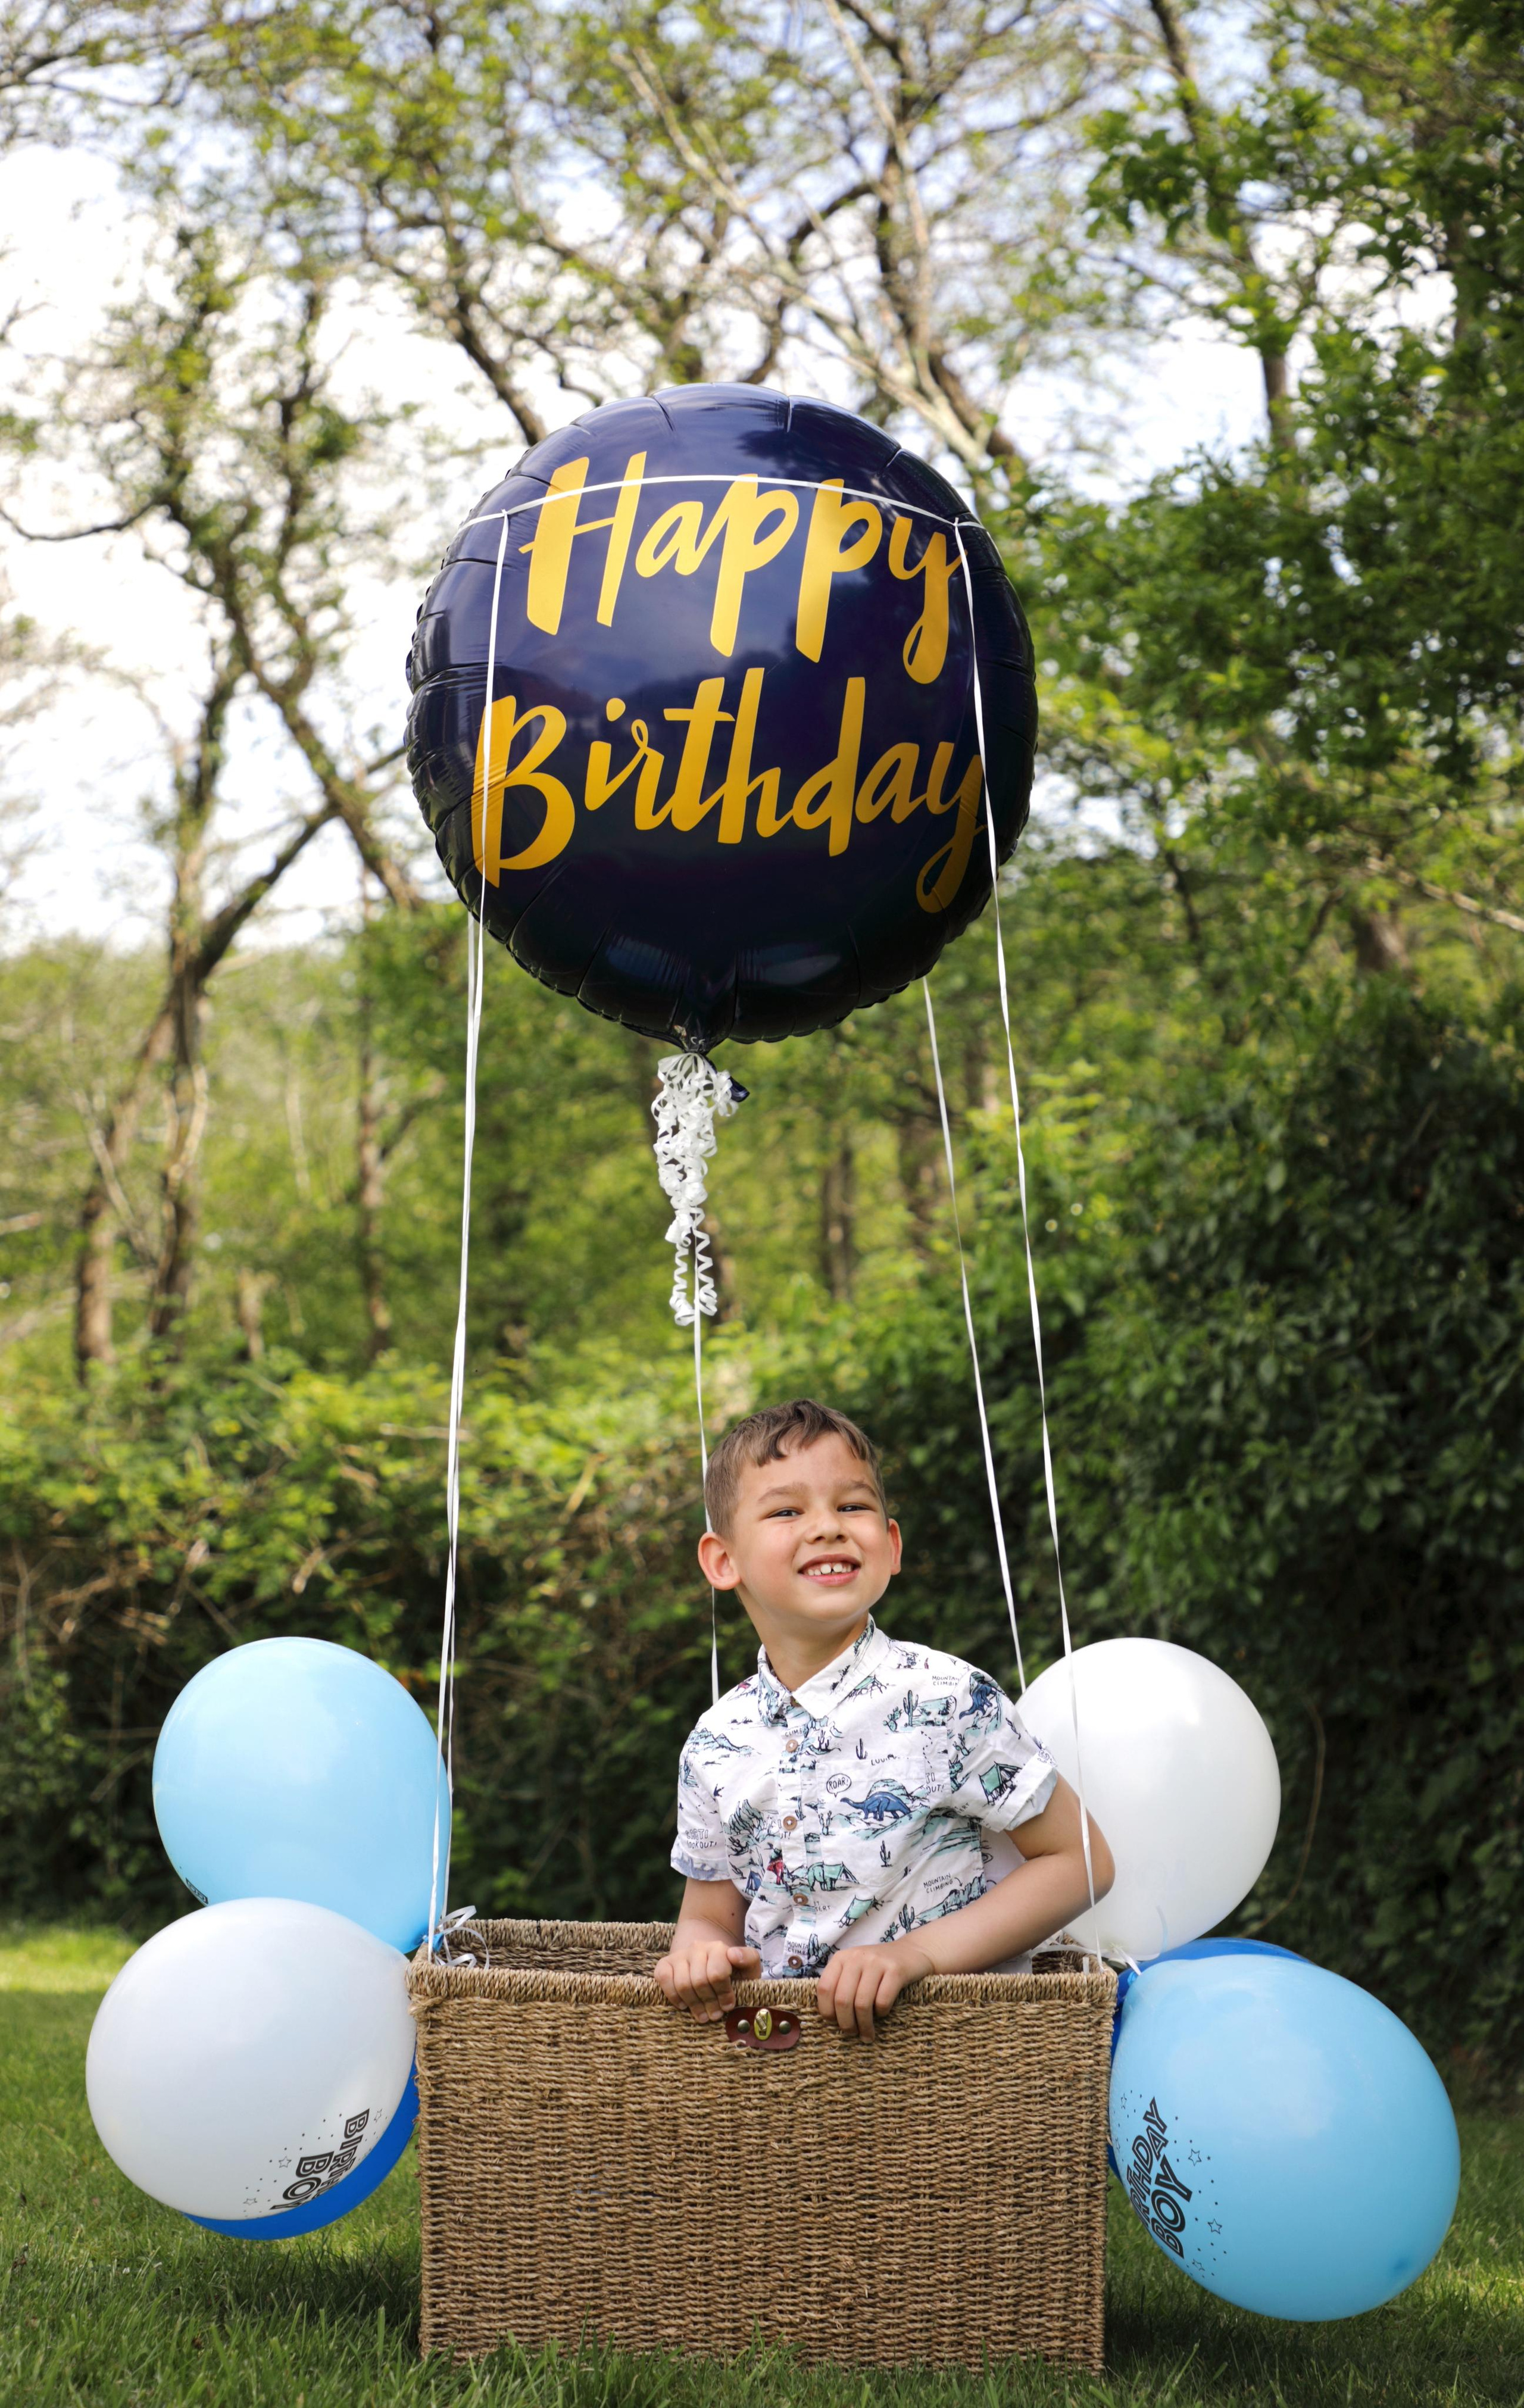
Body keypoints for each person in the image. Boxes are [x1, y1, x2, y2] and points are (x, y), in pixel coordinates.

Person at [654, 1398, 1114, 2039]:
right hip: (781, 2066)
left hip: (949, 2056)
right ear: (722, 1561)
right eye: (787, 1510)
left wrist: (914, 1954)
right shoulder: (714, 1744)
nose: (827, 1527)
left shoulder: (947, 1698)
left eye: (852, 1505)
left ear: (891, 1545)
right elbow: (709, 1917)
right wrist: (696, 1955)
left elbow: (1078, 1862)